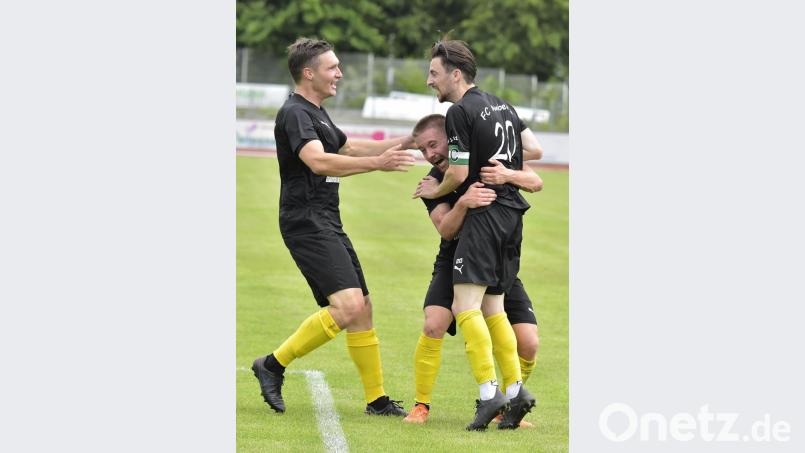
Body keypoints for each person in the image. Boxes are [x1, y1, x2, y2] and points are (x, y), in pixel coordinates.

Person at [251, 37, 416, 417]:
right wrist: (379, 164)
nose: (339, 73)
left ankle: (376, 401)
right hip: (305, 220)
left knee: (363, 308)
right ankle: (272, 365)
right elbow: (319, 161)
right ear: (309, 73)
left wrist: (409, 141)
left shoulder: (317, 113)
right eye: (332, 67)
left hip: (326, 218)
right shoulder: (295, 113)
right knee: (348, 306)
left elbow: (347, 149)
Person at [414, 39, 536, 430]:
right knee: (495, 308)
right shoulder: (504, 106)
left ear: (455, 73)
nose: (429, 81)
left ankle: (489, 394)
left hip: (483, 215)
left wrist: (437, 190)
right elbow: (532, 150)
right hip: (512, 215)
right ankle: (516, 392)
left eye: (434, 73)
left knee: (465, 306)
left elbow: (458, 173)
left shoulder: (459, 112)